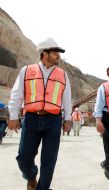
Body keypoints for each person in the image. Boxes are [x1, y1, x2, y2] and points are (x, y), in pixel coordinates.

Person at [8, 38, 72, 190]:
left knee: (49, 161)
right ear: (45, 53)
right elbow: (17, 95)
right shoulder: (27, 70)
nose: (58, 56)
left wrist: (68, 119)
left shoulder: (62, 75)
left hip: (53, 120)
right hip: (31, 118)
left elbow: (67, 99)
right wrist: (13, 116)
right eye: (55, 52)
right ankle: (31, 176)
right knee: (23, 158)